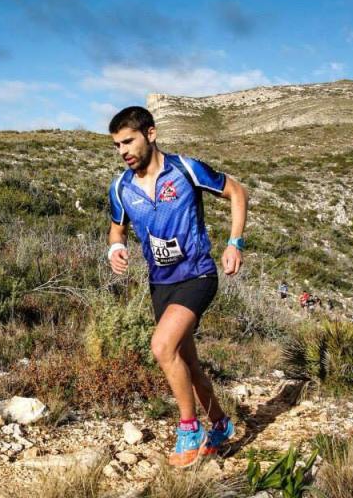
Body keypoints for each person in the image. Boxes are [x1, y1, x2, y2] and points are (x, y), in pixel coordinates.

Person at [106, 106, 248, 467]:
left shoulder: (185, 169)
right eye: (117, 145)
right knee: (186, 360)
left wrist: (234, 243)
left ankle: (189, 428)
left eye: (129, 141)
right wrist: (116, 247)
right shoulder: (121, 188)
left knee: (162, 346)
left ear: (150, 134)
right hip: (160, 284)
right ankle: (220, 423)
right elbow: (117, 227)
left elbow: (237, 192)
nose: (123, 150)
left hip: (198, 275)